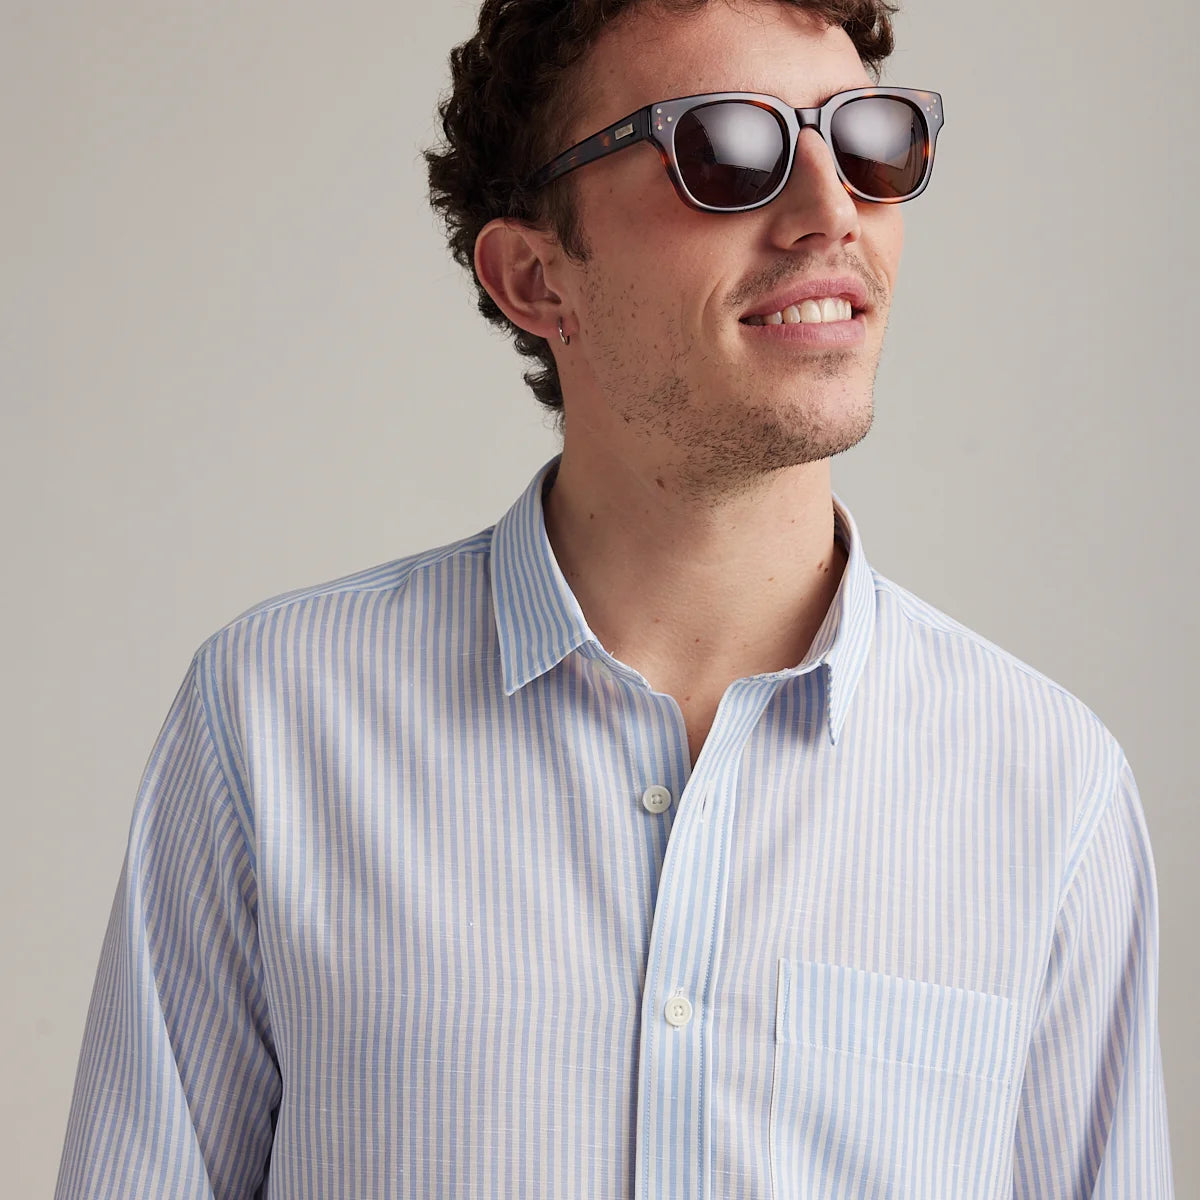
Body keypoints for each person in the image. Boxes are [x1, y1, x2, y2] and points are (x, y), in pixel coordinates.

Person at [56, 0, 1174, 1195]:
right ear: (536, 277)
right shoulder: (274, 728)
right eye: (728, 150)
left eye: (870, 140)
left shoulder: (1050, 793)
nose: (832, 213)